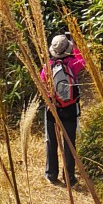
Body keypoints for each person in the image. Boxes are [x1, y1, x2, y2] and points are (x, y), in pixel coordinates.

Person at [40, 32, 87, 187]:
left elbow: (42, 84)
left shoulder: (47, 66)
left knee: (51, 142)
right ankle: (69, 177)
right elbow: (83, 60)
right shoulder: (73, 63)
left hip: (52, 109)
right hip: (70, 108)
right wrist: (75, 43)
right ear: (69, 49)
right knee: (69, 143)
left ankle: (51, 175)